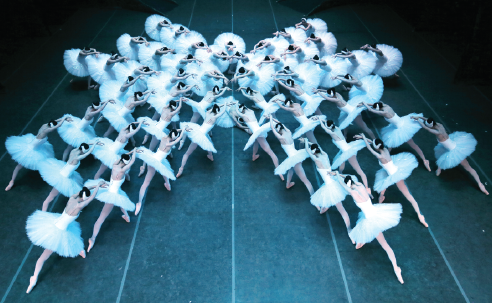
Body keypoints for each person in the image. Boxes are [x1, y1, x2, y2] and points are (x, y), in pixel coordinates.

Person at [25, 182, 106, 293]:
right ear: (84, 199)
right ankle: (34, 278)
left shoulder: (73, 198)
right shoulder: (79, 205)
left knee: (73, 235)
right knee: (43, 257)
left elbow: (85, 192)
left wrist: (94, 186)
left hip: (54, 223)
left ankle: (80, 250)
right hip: (58, 232)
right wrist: (98, 186)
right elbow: (91, 198)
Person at [333, 171, 404, 284]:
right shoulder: (359, 185)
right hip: (376, 212)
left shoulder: (353, 192)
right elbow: (349, 178)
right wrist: (338, 174)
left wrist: (337, 176)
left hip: (372, 220)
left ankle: (396, 268)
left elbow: (343, 184)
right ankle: (362, 241)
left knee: (385, 245)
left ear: (348, 184)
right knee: (361, 224)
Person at [357, 134, 428, 227]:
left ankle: (420, 215)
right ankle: (381, 196)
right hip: (394, 169)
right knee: (384, 181)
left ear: (377, 148)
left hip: (395, 175)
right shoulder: (385, 149)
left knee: (408, 195)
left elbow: (370, 148)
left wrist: (363, 137)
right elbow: (373, 143)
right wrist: (364, 138)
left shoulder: (380, 156)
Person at [413, 116, 488, 195]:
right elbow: (428, 121)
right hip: (452, 144)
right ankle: (439, 168)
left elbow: (425, 127)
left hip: (454, 151)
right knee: (441, 154)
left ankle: (480, 185)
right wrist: (419, 117)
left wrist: (418, 120)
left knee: (468, 168)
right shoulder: (439, 125)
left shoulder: (437, 133)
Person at [85, 149, 139, 252]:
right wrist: (134, 152)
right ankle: (92, 238)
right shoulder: (123, 170)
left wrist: (129, 152)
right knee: (101, 218)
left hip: (111, 188)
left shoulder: (115, 164)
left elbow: (124, 158)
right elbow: (132, 161)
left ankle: (126, 216)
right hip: (113, 193)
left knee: (121, 200)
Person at [5, 117, 72, 191]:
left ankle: (13, 181)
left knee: (25, 165)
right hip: (31, 151)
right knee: (21, 166)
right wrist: (65, 118)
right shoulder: (46, 130)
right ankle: (11, 182)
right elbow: (58, 125)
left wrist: (63, 119)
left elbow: (55, 122)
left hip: (33, 146)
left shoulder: (44, 125)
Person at [362, 101, 431, 171]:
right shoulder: (386, 106)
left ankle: (425, 160)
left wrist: (364, 104)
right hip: (402, 123)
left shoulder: (385, 112)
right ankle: (387, 157)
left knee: (412, 144)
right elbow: (374, 105)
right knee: (391, 144)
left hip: (402, 129)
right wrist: (364, 103)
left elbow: (371, 110)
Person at [39, 141, 102, 211]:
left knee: (54, 196)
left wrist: (93, 143)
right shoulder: (77, 158)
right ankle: (43, 211)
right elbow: (88, 152)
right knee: (50, 197)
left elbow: (83, 146)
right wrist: (95, 144)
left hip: (61, 172)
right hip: (63, 178)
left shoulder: (74, 150)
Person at [135, 129, 187, 215]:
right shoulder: (169, 144)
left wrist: (180, 130)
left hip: (155, 159)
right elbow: (178, 139)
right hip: (154, 163)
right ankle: (139, 202)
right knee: (146, 183)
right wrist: (183, 131)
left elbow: (172, 133)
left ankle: (167, 184)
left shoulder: (164, 138)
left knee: (164, 169)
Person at [302, 138, 352, 224]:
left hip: (330, 185)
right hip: (332, 181)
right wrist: (310, 143)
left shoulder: (317, 160)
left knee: (341, 209)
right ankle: (326, 206)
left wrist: (306, 141)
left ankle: (349, 228)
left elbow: (307, 150)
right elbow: (317, 148)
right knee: (330, 199)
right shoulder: (325, 154)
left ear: (313, 152)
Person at [319, 120, 371, 195]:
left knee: (359, 170)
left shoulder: (333, 133)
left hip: (348, 153)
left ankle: (367, 188)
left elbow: (324, 128)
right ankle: (339, 175)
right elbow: (327, 125)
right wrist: (323, 120)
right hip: (347, 150)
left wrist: (320, 120)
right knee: (341, 162)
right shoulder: (336, 128)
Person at [177, 104, 228, 177]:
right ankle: (181, 169)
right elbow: (222, 112)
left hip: (198, 131)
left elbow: (214, 109)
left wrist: (221, 105)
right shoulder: (214, 117)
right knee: (187, 153)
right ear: (217, 111)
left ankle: (210, 156)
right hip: (200, 135)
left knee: (208, 141)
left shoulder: (207, 113)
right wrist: (225, 105)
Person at [269, 117, 314, 194]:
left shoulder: (281, 137)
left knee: (305, 180)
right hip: (296, 155)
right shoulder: (289, 132)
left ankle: (313, 197)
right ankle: (288, 184)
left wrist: (270, 118)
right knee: (291, 169)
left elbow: (272, 127)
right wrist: (274, 119)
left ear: (278, 130)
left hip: (294, 159)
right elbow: (280, 124)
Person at [233, 104, 282, 176]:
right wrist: (242, 106)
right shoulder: (251, 112)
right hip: (258, 130)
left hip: (258, 134)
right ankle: (254, 156)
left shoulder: (243, 116)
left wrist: (236, 105)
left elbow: (237, 112)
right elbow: (246, 109)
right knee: (256, 143)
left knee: (270, 152)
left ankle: (279, 171)